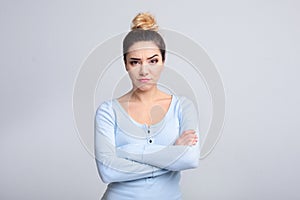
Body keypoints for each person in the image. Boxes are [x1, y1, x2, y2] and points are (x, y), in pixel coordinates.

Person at [94, 12, 200, 200]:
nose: (144, 71)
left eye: (153, 61)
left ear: (163, 61)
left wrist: (126, 153)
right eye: (135, 62)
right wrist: (172, 156)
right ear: (126, 64)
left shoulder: (183, 107)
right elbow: (108, 171)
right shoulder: (108, 112)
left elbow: (190, 158)